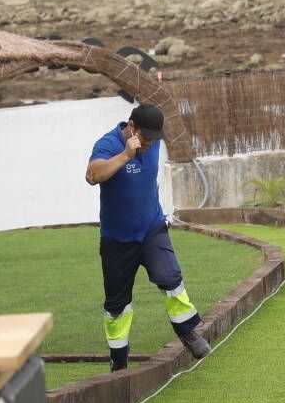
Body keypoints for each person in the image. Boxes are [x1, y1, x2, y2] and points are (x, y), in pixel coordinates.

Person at [85, 103, 212, 370]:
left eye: (153, 139)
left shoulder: (152, 142)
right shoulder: (107, 144)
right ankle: (118, 361)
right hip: (117, 239)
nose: (148, 144)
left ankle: (187, 331)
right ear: (131, 127)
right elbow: (92, 175)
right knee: (116, 306)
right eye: (144, 138)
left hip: (152, 228)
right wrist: (125, 155)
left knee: (170, 279)